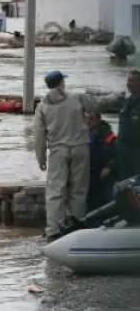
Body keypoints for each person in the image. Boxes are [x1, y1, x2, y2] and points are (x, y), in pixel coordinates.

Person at [33, 70, 124, 241]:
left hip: (58, 150)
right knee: (79, 190)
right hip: (80, 148)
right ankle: (75, 226)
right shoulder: (77, 98)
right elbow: (98, 105)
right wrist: (117, 96)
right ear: (61, 83)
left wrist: (41, 157)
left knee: (55, 191)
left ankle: (53, 229)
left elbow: (39, 134)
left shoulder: (42, 106)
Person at [111, 70, 140, 181]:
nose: (130, 84)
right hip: (123, 153)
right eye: (128, 81)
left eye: (133, 81)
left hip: (137, 154)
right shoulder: (126, 103)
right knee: (125, 187)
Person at [85, 111, 117, 212]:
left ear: (98, 121)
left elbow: (117, 154)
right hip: (87, 172)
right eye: (87, 119)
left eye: (92, 119)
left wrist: (108, 166)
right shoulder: (83, 134)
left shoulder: (109, 135)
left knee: (104, 199)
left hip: (103, 172)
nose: (88, 122)